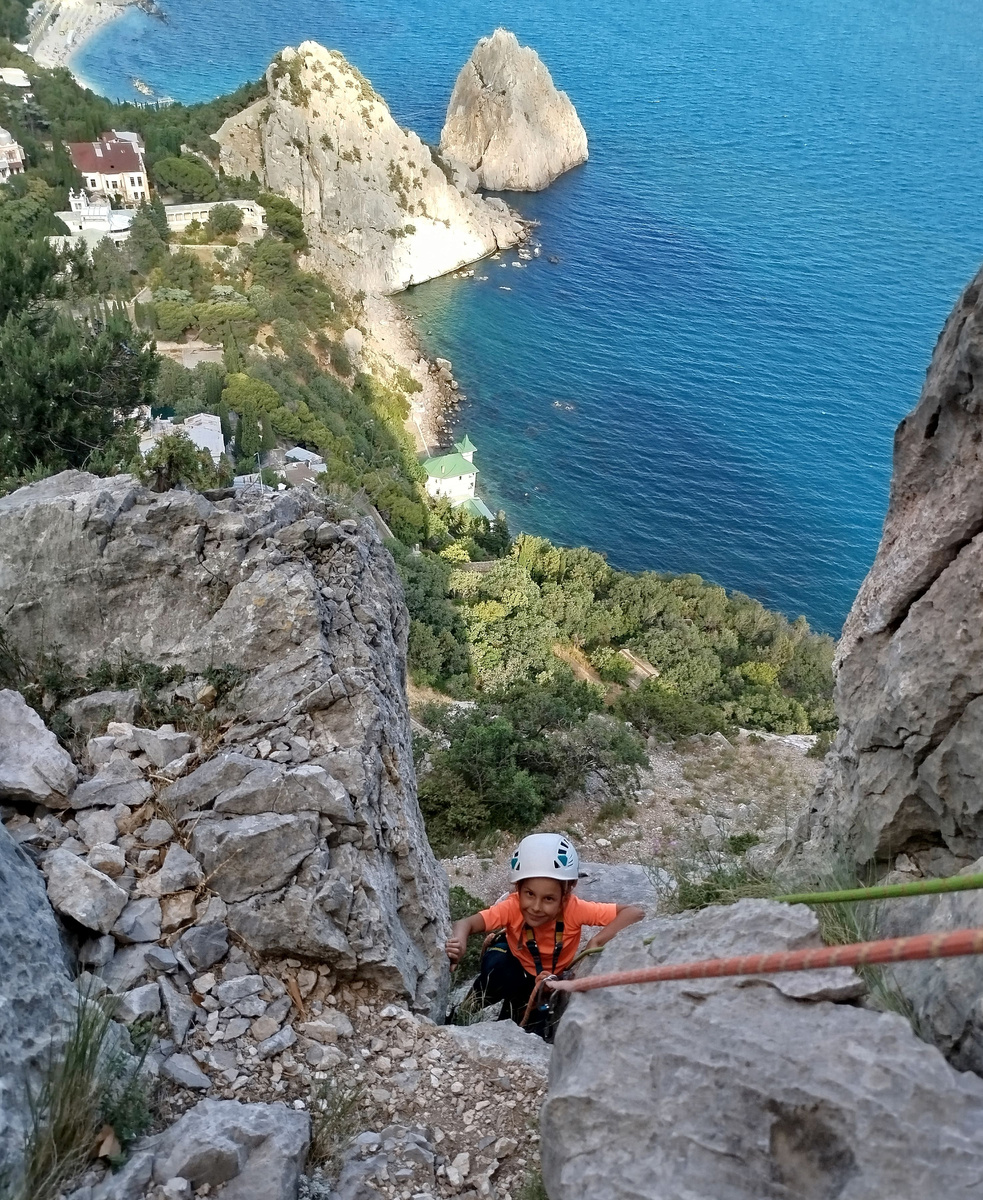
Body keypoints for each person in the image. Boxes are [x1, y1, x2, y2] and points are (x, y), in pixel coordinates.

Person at [445, 833, 645, 1039]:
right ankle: (466, 1010)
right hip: (512, 964)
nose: (536, 907)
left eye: (549, 898)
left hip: (543, 982)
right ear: (518, 888)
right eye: (529, 894)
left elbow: (633, 912)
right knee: (498, 970)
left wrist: (596, 941)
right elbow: (466, 924)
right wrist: (459, 942)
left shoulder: (574, 909)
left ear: (567, 892)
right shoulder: (512, 907)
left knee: (526, 1031)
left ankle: (507, 1020)